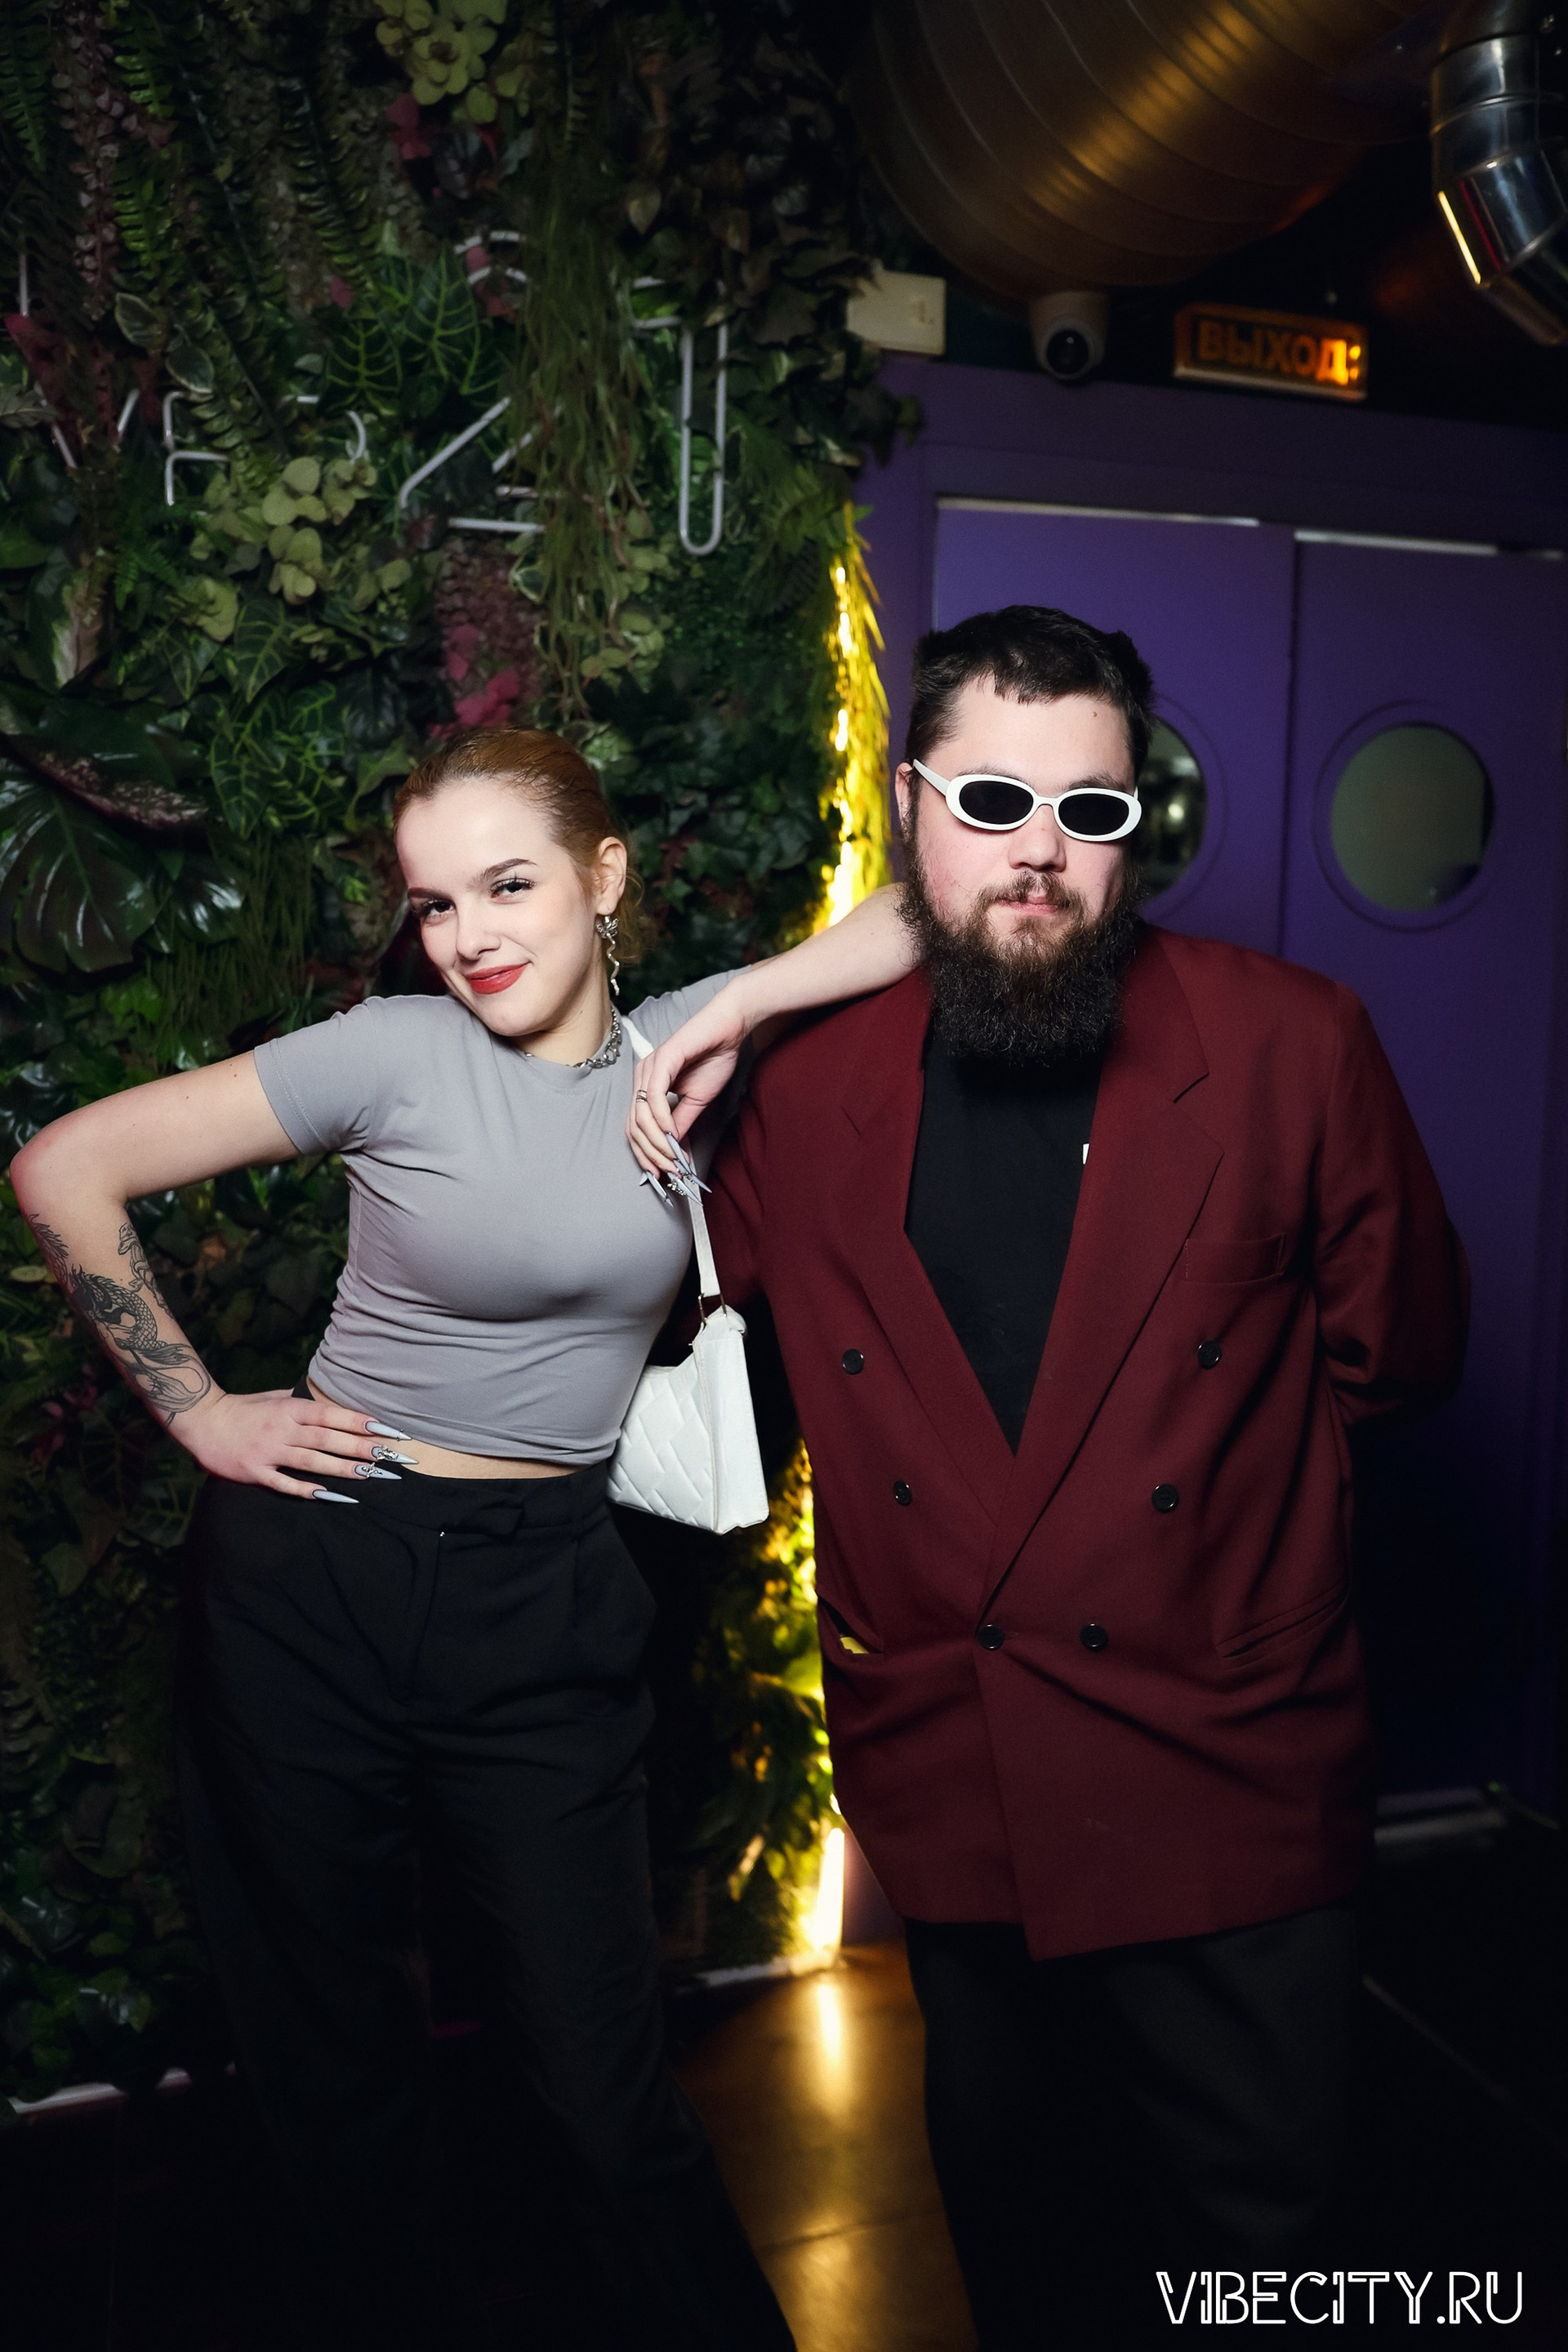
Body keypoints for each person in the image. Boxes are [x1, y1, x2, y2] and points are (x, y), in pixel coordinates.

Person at [10, 726, 918, 2352]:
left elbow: (937, 906)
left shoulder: (685, 1047)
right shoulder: (398, 1052)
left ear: (604, 875)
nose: (469, 935)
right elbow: (65, 1166)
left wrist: (748, 1007)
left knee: (602, 2088)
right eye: (435, 903)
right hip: (315, 1579)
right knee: (333, 2078)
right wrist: (201, 1413)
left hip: (545, 1595)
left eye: (508, 886)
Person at [630, 608, 1468, 2347]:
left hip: (1232, 1777)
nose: (1039, 852)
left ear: (1133, 828)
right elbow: (637, 1274)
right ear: (908, 803)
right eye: (992, 800)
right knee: (1025, 2248)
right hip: (964, 1781)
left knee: (1263, 2264)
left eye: (1089, 811)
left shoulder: (1296, 1042)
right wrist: (766, 989)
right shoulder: (798, 1081)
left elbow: (1399, 1354)